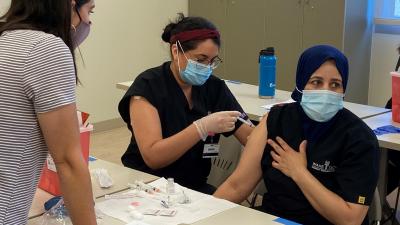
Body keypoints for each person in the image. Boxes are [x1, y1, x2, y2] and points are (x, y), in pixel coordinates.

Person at [214, 45, 380, 225]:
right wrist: (200, 217)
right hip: (274, 218)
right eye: (316, 82)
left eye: (335, 84)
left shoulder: (359, 138)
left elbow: (350, 219)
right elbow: (236, 187)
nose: (325, 91)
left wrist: (299, 172)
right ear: (301, 84)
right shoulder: (276, 120)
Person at [118, 14, 253, 194]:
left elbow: (250, 136)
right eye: (200, 60)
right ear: (176, 51)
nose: (207, 67)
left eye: (213, 61)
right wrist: (201, 127)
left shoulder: (214, 87)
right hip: (147, 184)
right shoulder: (148, 87)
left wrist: (272, 126)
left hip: (193, 186)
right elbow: (153, 157)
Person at [0, 0, 96, 224]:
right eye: (89, 11)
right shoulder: (45, 49)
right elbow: (68, 162)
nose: (89, 21)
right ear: (71, 5)